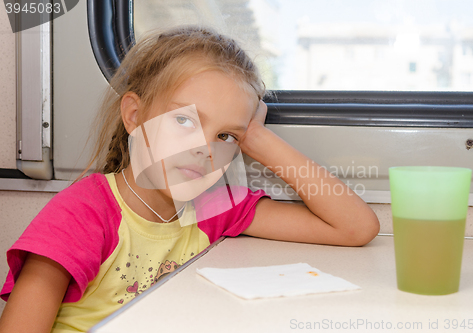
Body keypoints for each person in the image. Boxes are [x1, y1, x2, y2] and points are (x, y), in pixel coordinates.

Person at [0, 26, 380, 333]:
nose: (205, 149)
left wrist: (258, 139)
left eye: (225, 136)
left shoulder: (212, 206)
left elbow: (355, 227)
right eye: (185, 120)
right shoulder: (83, 215)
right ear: (134, 116)